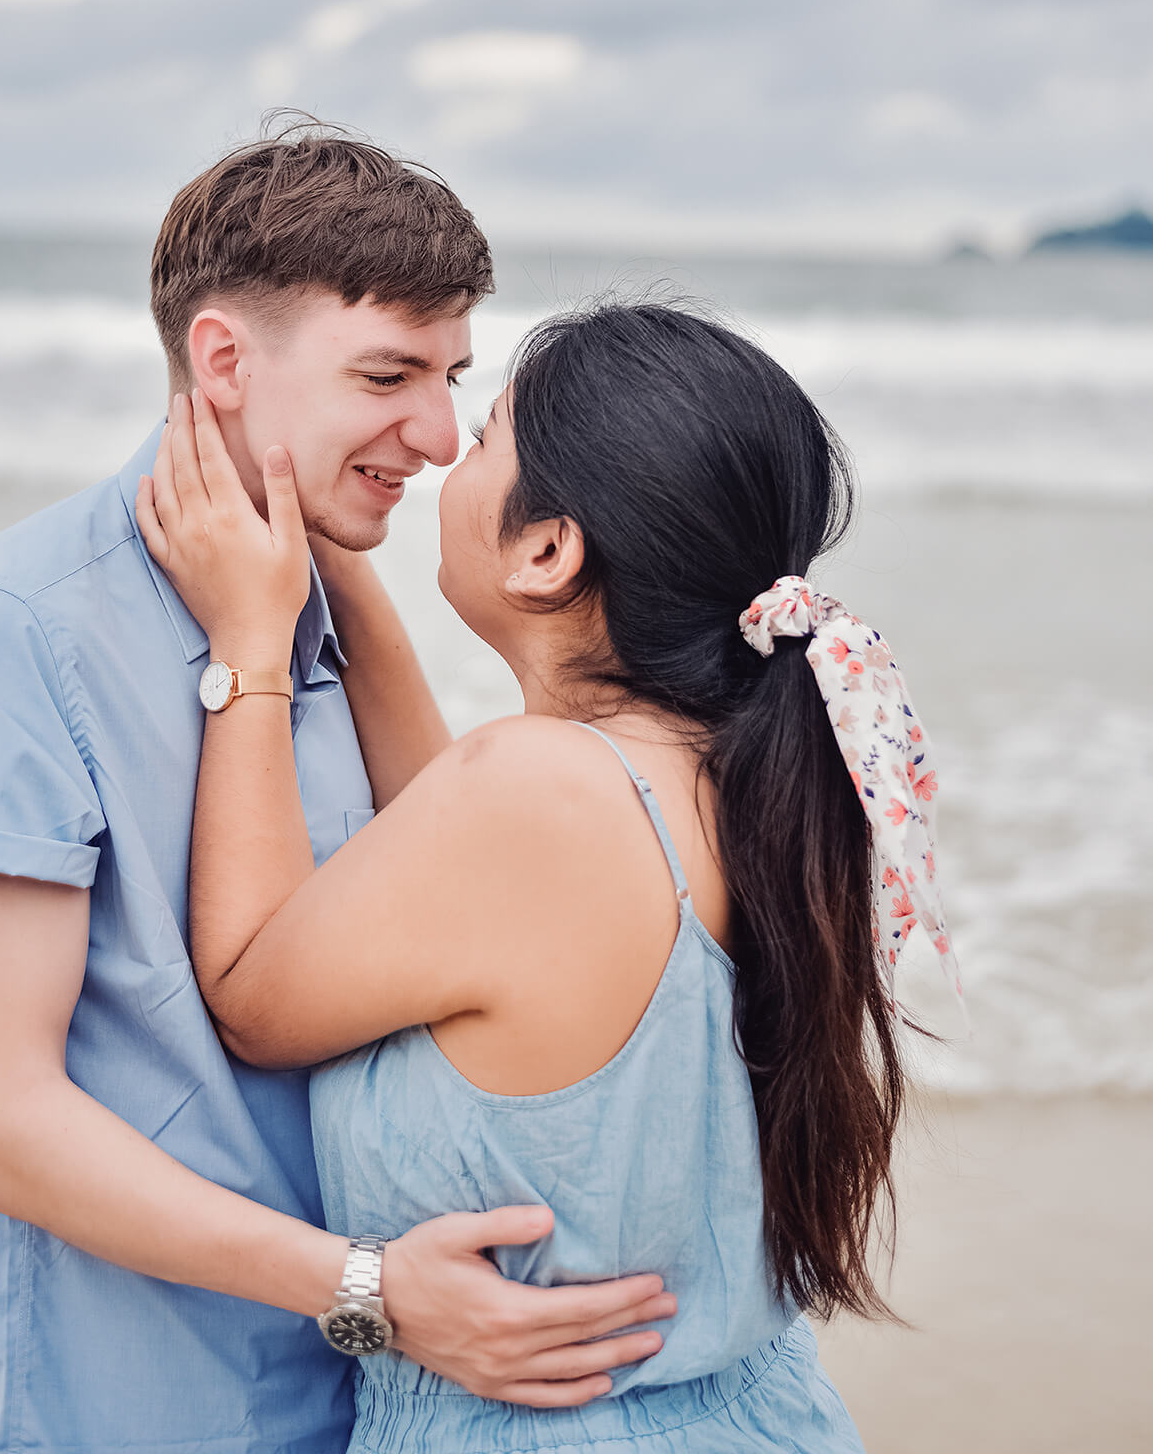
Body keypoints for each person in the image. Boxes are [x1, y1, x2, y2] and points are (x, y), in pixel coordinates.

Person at [0, 132, 674, 1454]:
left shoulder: (319, 611)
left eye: (451, 378)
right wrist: (368, 1293)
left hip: (376, 1395)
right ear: (225, 361)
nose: (434, 435)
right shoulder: (14, 633)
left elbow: (448, 913)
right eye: (388, 375)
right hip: (150, 1406)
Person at [137, 298, 963, 1454]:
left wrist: (248, 645)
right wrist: (340, 575)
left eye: (484, 441)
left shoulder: (538, 793)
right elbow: (451, 881)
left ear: (546, 550)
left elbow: (246, 987)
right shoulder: (737, 773)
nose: (442, 453)